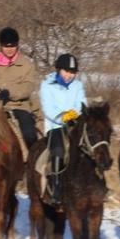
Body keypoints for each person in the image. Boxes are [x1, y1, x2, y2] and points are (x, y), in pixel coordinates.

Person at [0, 27, 40, 150]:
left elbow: (28, 86)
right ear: (1, 46)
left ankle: (33, 158)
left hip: (20, 106)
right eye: (6, 46)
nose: (10, 49)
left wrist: (10, 92)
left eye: (12, 46)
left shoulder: (26, 64)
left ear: (17, 46)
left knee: (29, 134)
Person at [38, 52, 87, 205]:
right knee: (58, 150)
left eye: (72, 72)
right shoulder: (46, 85)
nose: (69, 75)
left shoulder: (78, 85)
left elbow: (82, 103)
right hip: (55, 126)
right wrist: (63, 117)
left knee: (91, 147)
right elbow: (48, 108)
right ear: (59, 70)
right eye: (66, 71)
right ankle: (57, 186)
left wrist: (75, 114)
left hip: (75, 124)